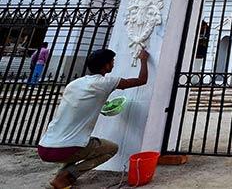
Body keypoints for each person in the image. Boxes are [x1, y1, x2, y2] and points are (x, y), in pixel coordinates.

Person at [37, 48, 149, 189]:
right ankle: (66, 177)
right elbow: (141, 80)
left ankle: (62, 175)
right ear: (106, 65)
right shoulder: (105, 83)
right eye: (112, 62)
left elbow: (78, 105)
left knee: (83, 142)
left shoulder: (74, 84)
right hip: (67, 149)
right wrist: (143, 60)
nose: (113, 64)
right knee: (111, 148)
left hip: (44, 146)